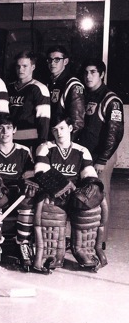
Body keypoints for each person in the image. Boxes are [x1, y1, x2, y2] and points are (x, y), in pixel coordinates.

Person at [34, 114, 106, 272]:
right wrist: (64, 186)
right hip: (54, 194)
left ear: (71, 128)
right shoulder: (46, 147)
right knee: (50, 210)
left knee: (90, 207)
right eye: (55, 130)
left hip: (75, 196)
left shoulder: (81, 150)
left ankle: (84, 251)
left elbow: (88, 173)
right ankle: (52, 254)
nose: (59, 132)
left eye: (62, 128)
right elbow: (41, 171)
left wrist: (91, 186)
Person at [0, 113, 37, 270]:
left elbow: (29, 176)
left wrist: (26, 183)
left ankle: (23, 244)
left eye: (9, 128)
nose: (5, 132)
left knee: (28, 200)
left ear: (14, 130)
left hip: (16, 192)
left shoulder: (24, 151)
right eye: (1, 128)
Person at [80, 59, 124, 219]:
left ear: (102, 74)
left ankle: (102, 234)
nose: (88, 76)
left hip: (101, 157)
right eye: (86, 72)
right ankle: (87, 233)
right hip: (87, 155)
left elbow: (115, 133)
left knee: (101, 196)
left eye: (93, 72)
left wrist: (103, 159)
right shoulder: (86, 96)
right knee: (85, 195)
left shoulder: (111, 100)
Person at [7, 50, 51, 151]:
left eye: (25, 66)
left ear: (33, 67)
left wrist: (41, 144)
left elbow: (43, 120)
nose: (20, 69)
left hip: (30, 141)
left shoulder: (39, 88)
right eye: (18, 66)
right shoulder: (9, 88)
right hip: (9, 140)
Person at [46, 45, 85, 140]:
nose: (52, 63)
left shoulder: (73, 84)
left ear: (65, 61)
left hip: (63, 140)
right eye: (50, 60)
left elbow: (77, 122)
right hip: (50, 137)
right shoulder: (49, 82)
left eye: (57, 60)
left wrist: (67, 144)